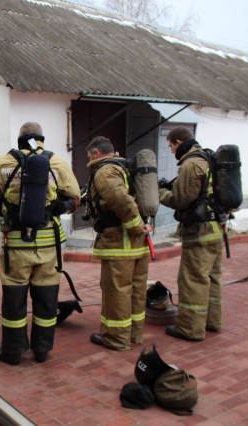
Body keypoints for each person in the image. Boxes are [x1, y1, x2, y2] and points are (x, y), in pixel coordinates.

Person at [0, 122, 80, 365]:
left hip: (16, 246)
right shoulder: (57, 162)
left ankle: (13, 352)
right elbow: (75, 195)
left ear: (20, 138)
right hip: (50, 246)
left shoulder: (3, 163)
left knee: (14, 301)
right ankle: (41, 351)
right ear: (41, 137)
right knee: (46, 300)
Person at [85, 137, 152, 351]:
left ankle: (116, 338)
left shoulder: (105, 171)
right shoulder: (126, 167)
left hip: (120, 243)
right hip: (139, 243)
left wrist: (135, 226)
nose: (89, 160)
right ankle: (134, 335)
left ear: (96, 153)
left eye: (89, 156)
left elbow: (121, 200)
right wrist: (141, 227)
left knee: (117, 291)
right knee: (137, 290)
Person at [159, 126, 224, 341]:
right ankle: (212, 322)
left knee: (192, 280)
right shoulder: (207, 158)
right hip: (216, 229)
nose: (170, 150)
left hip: (199, 232)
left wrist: (160, 193)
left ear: (178, 142)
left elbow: (181, 199)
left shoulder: (191, 163)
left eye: (170, 145)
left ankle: (190, 329)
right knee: (211, 278)